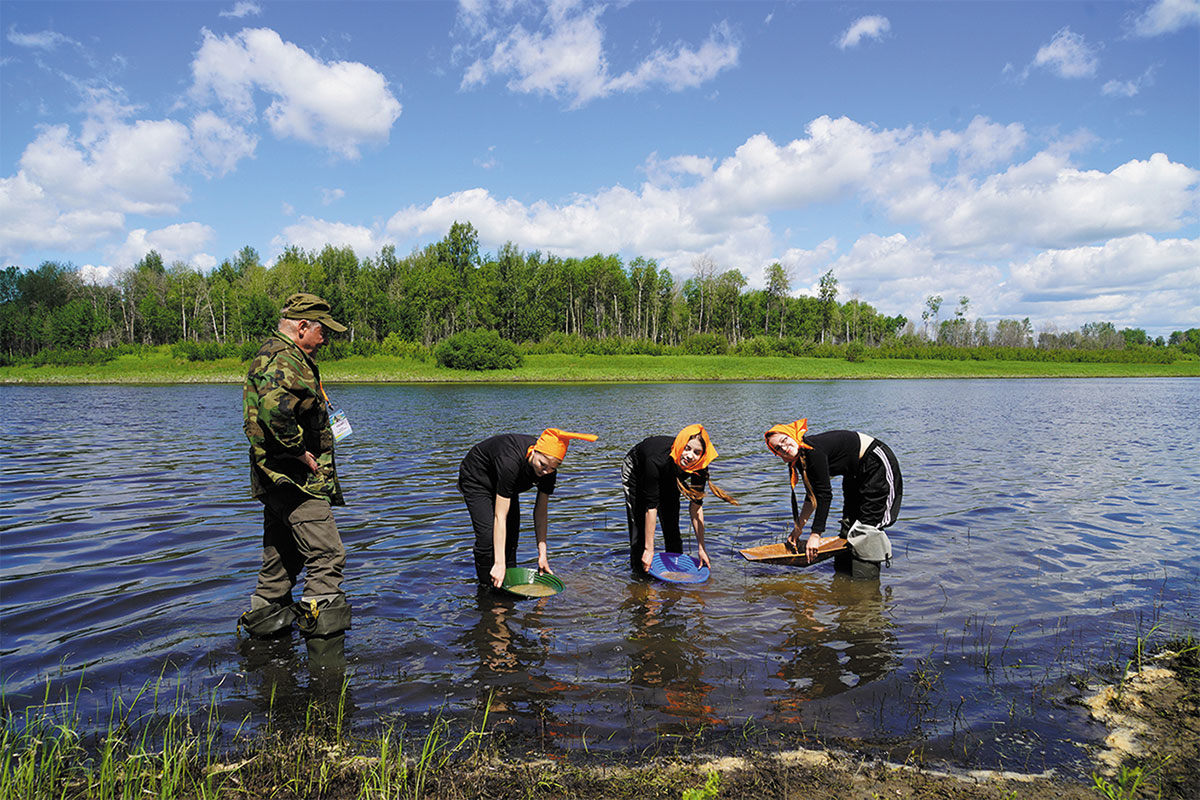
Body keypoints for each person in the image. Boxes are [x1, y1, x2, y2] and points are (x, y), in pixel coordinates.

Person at [238, 292, 352, 640]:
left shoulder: (273, 354)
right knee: (327, 557)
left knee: (280, 564)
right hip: (297, 482)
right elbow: (274, 411)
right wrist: (299, 453)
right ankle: (328, 679)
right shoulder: (286, 359)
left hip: (274, 482)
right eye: (323, 331)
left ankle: (264, 658)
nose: (326, 339)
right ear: (302, 327)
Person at [458, 428, 598, 589]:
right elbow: (500, 517)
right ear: (534, 451)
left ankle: (508, 585)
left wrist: (542, 555)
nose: (545, 472)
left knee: (511, 535)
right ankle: (486, 590)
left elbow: (540, 514)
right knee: (487, 537)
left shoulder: (548, 472)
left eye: (552, 468)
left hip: (507, 483)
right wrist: (498, 562)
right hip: (478, 479)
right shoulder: (510, 461)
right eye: (542, 465)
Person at [764, 418, 902, 565]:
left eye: (785, 440)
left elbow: (825, 495)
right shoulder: (799, 459)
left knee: (869, 523)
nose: (784, 447)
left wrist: (815, 535)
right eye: (778, 448)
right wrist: (798, 529)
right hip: (853, 473)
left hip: (875, 461)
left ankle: (865, 581)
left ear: (793, 435)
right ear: (778, 455)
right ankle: (844, 570)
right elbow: (813, 495)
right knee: (850, 522)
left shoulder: (812, 451)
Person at [622, 424, 737, 574]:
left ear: (702, 455)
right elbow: (651, 508)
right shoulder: (655, 460)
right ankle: (639, 577)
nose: (690, 456)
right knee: (640, 528)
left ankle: (675, 583)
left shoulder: (700, 467)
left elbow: (696, 508)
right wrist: (649, 550)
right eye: (687, 448)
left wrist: (701, 548)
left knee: (672, 526)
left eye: (697, 452)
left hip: (670, 471)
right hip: (638, 470)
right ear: (681, 445)